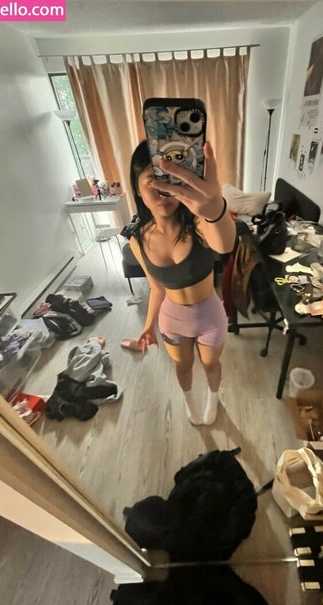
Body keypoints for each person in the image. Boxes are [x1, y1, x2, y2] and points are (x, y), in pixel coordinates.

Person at [123, 140, 236, 426]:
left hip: (209, 314)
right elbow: (157, 288)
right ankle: (189, 403)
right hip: (172, 319)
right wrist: (148, 326)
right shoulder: (137, 238)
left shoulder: (198, 222)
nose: (164, 190)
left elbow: (225, 244)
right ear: (137, 187)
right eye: (154, 180)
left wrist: (215, 209)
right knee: (182, 365)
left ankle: (213, 399)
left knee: (210, 363)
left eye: (171, 179)